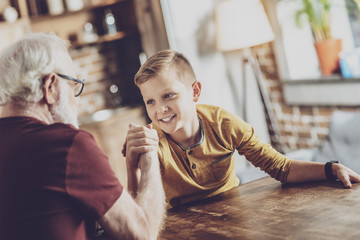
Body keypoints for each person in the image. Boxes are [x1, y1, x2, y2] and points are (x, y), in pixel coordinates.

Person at [125, 49, 360, 208]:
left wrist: (330, 168)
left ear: (195, 92)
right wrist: (132, 165)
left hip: (235, 214)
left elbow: (281, 167)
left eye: (169, 96)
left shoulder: (223, 124)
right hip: (183, 227)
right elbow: (140, 208)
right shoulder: (151, 142)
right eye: (150, 102)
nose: (160, 109)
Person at [0, 33, 165, 240]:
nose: (76, 101)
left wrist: (133, 171)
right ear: (50, 86)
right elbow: (142, 234)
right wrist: (150, 157)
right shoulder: (66, 144)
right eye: (73, 85)